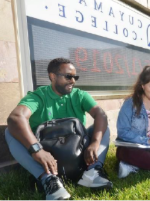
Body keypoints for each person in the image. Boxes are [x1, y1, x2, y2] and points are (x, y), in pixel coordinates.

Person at [6, 58, 113, 200]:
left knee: (102, 126)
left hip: (79, 155)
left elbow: (100, 114)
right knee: (10, 132)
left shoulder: (79, 95)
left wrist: (94, 142)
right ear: (52, 76)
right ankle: (49, 181)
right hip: (47, 158)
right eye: (68, 76)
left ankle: (92, 172)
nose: (73, 81)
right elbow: (16, 117)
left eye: (75, 77)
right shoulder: (38, 96)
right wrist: (37, 150)